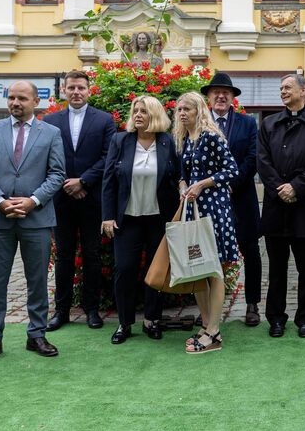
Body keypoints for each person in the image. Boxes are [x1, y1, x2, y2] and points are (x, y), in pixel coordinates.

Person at [0, 81, 65, 365]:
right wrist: (1, 201)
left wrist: (33, 200)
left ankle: (36, 335)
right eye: (11, 97)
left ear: (36, 101)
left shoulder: (51, 133)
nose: (15, 102)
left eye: (22, 98)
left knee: (37, 281)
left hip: (37, 219)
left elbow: (57, 174)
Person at [257, 74, 305, 338]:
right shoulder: (269, 124)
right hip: (276, 206)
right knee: (276, 268)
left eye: (287, 87)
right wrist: (281, 188)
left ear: (303, 91)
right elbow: (262, 161)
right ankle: (276, 319)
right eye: (280, 88)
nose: (282, 91)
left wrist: (296, 187)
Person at [101, 95, 180, 343]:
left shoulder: (168, 142)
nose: (137, 115)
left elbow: (178, 177)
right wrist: (107, 216)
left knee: (156, 271)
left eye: (143, 111)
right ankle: (124, 324)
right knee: (125, 269)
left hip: (159, 219)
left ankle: (151, 320)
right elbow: (109, 181)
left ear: (154, 115)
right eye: (135, 110)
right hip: (128, 219)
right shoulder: (120, 140)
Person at [43, 70, 116, 331]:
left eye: (81, 88)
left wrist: (83, 181)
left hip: (92, 198)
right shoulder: (50, 121)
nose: (76, 92)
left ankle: (91, 310)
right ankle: (61, 310)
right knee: (63, 255)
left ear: (89, 91)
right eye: (71, 88)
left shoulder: (104, 120)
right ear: (64, 90)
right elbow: (47, 157)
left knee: (92, 255)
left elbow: (108, 156)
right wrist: (69, 184)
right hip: (61, 198)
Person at [174, 91, 240, 353]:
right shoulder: (184, 138)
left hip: (214, 211)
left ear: (199, 110)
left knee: (214, 269)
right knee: (197, 268)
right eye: (179, 109)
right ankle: (206, 325)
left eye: (187, 109)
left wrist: (202, 184)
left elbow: (232, 170)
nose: (182, 113)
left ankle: (214, 331)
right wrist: (183, 187)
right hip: (193, 211)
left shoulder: (211, 137)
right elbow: (182, 174)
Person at [201, 72, 262, 327]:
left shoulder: (247, 123)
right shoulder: (200, 122)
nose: (221, 96)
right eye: (216, 92)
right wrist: (214, 186)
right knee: (208, 252)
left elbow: (252, 157)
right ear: (208, 96)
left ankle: (252, 304)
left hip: (241, 197)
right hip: (209, 201)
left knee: (251, 250)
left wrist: (230, 184)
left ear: (232, 97)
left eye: (226, 92)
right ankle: (208, 309)